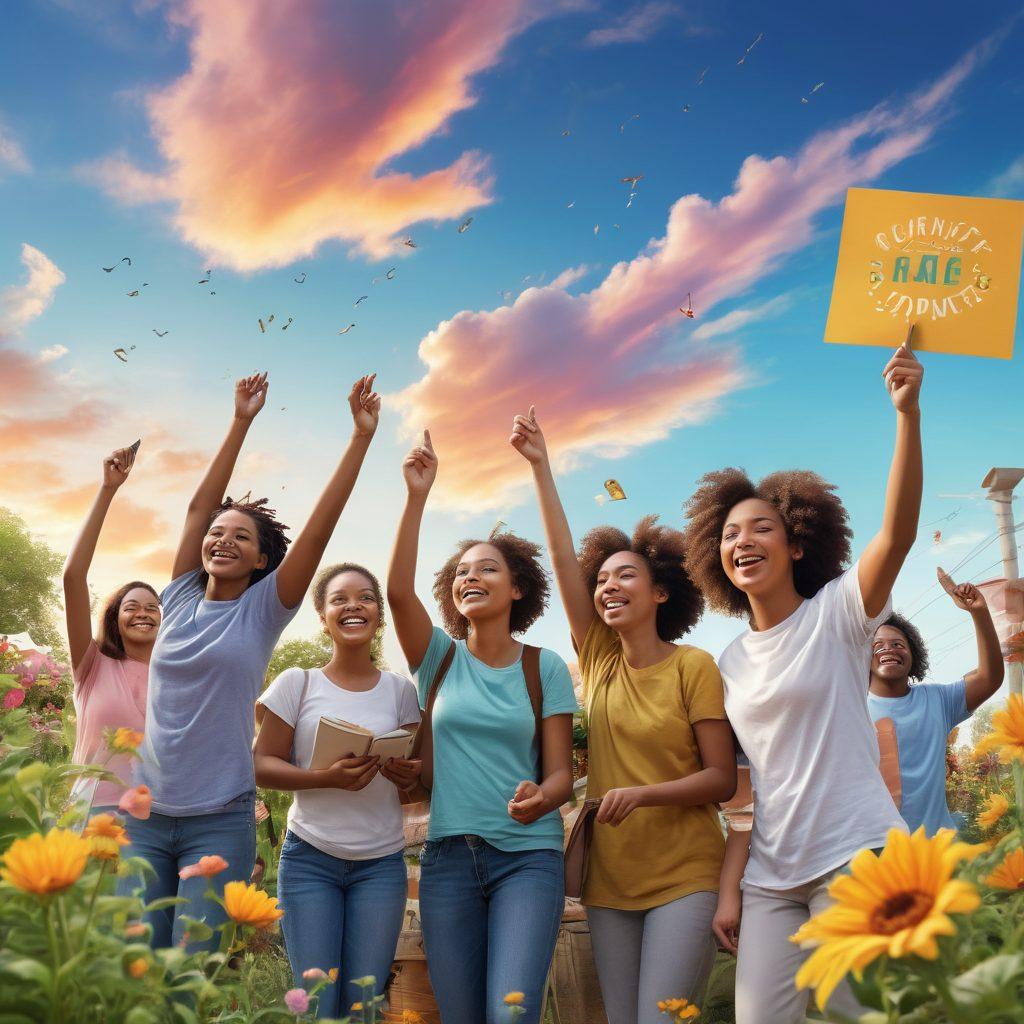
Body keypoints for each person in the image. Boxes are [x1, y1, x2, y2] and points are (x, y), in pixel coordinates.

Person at [687, 335, 923, 1023]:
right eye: (730, 534)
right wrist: (731, 888)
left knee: (865, 1015)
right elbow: (744, 788)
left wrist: (907, 413)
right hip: (769, 877)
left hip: (856, 852)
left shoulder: (839, 614)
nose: (742, 542)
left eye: (760, 528)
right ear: (718, 558)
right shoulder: (727, 662)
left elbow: (898, 533)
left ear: (795, 543)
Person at [128, 371, 382, 950]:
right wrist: (240, 422)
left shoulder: (263, 610)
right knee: (135, 975)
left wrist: (360, 440)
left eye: (241, 537)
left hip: (218, 816)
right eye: (218, 533)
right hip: (143, 813)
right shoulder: (178, 593)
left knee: (191, 973)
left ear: (263, 558)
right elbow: (198, 507)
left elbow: (318, 534)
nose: (222, 541)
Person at [509, 407, 736, 1024]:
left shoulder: (694, 666)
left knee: (662, 1019)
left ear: (660, 591)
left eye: (625, 576)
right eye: (602, 578)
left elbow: (722, 779)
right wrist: (541, 466)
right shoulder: (600, 661)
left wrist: (642, 794)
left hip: (686, 875)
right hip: (608, 883)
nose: (608, 586)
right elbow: (560, 558)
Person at [386, 430, 578, 1024]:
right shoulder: (438, 660)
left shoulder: (541, 665)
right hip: (447, 859)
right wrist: (417, 496)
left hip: (528, 859)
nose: (470, 577)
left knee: (511, 1013)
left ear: (516, 588)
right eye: (462, 572)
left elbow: (561, 776)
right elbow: (396, 591)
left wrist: (541, 796)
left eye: (487, 569)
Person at [255, 562, 421, 1019]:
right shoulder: (297, 682)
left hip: (381, 865)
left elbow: (413, 783)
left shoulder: (401, 691)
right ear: (323, 616)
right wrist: (325, 777)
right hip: (311, 860)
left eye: (366, 597)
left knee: (364, 1003)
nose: (354, 605)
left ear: (378, 616)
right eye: (339, 599)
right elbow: (259, 766)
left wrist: (408, 777)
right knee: (317, 1005)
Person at [868, 570, 1003, 835]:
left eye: (898, 644)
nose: (888, 649)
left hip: (937, 847)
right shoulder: (850, 707)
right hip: (875, 854)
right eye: (877, 645)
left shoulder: (938, 700)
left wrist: (978, 612)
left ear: (913, 654)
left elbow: (990, 677)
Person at [63, 445, 161, 812]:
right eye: (131, 606)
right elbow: (73, 578)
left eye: (152, 607)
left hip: (158, 819)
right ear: (115, 618)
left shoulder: (172, 675)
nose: (143, 613)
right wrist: (108, 490)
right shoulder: (92, 666)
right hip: (91, 812)